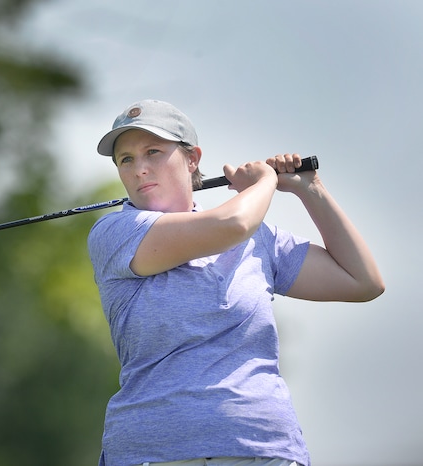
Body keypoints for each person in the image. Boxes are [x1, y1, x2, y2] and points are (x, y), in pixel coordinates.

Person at [87, 99, 384, 466]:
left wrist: (311, 189)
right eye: (126, 159)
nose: (139, 169)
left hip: (264, 448)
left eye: (153, 152)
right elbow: (233, 225)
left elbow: (363, 281)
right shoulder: (115, 233)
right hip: (153, 452)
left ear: (192, 158)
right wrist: (264, 182)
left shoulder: (261, 241)